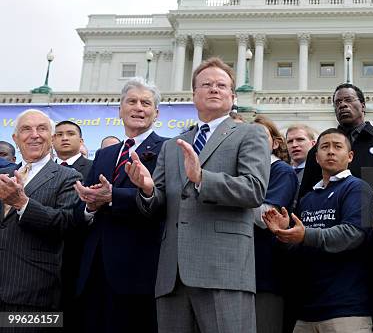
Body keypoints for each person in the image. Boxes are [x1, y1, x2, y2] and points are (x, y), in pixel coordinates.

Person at [128, 57, 270, 333]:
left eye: (221, 85)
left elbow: (254, 189)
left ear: (232, 95)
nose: (214, 89)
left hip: (224, 271)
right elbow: (156, 207)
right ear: (194, 94)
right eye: (206, 84)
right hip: (173, 275)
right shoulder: (172, 146)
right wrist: (146, 190)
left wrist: (203, 179)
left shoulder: (250, 134)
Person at [296, 83, 373, 333]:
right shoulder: (320, 149)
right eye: (337, 103)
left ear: (363, 105)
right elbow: (307, 198)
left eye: (347, 100)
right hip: (329, 255)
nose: (342, 105)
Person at [73, 78, 167, 333]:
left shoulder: (168, 149)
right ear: (120, 110)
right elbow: (91, 200)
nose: (138, 108)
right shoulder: (105, 154)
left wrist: (114, 196)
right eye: (132, 101)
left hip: (138, 269)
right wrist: (89, 204)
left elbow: (164, 201)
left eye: (146, 103)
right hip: (94, 268)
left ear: (156, 113)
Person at [263, 129, 372, 333]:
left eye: (337, 147)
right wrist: (284, 233)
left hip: (347, 311)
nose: (330, 151)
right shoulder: (308, 198)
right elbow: (298, 249)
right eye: (325, 147)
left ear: (350, 156)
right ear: (316, 157)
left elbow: (352, 234)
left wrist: (304, 235)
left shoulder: (357, 188)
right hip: (307, 312)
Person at [0, 109, 81, 319]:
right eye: (26, 129)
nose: (34, 134)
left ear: (52, 137)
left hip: (34, 294)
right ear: (15, 138)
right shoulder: (3, 177)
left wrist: (22, 203)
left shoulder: (69, 177)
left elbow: (66, 223)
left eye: (41, 129)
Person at [253, 115, 299, 333]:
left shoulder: (282, 171)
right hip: (241, 272)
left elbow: (266, 218)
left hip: (266, 273)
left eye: (261, 137)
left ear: (275, 143)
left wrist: (227, 194)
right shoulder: (245, 171)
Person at [51, 120, 93, 332]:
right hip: (43, 254)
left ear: (81, 140)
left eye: (70, 134)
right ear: (52, 140)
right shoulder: (42, 170)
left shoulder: (93, 167)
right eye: (58, 134)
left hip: (77, 254)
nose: (64, 138)